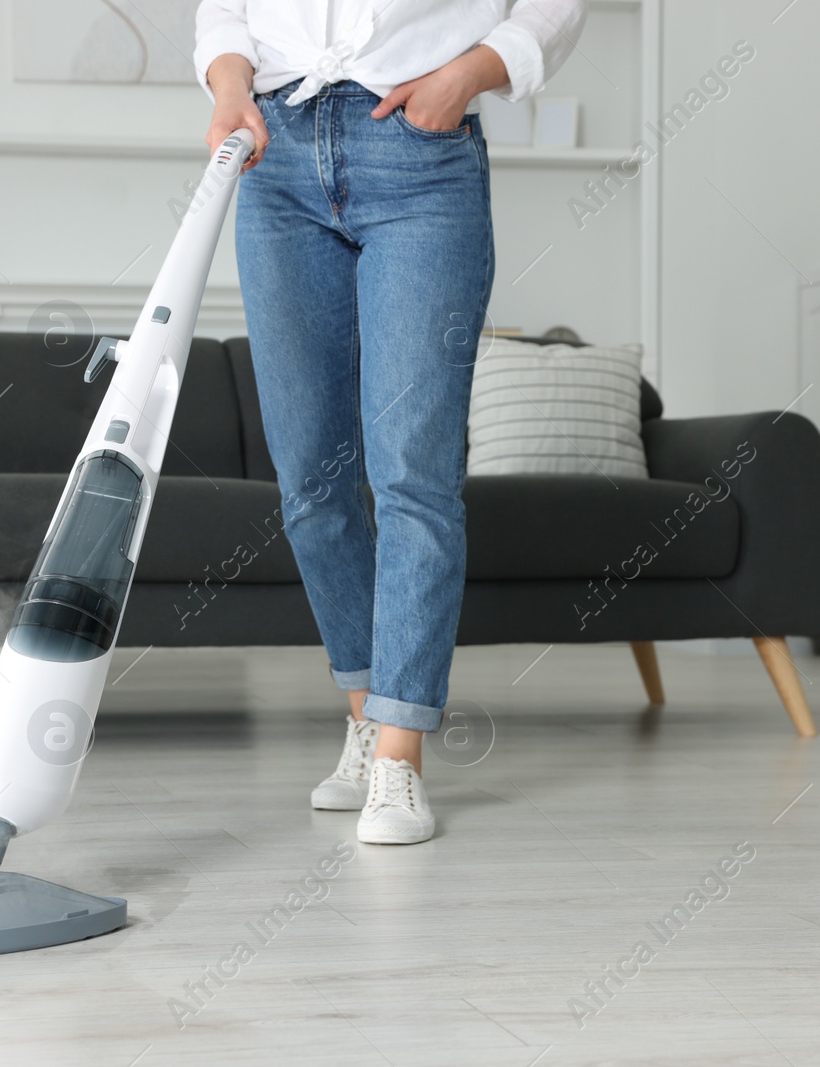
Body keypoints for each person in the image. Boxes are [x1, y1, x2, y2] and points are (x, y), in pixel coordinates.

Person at [194, 1, 587, 844]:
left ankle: (399, 758)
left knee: (412, 470)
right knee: (308, 478)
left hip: (419, 153)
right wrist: (230, 85)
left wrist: (468, 74)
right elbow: (224, 9)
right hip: (275, 153)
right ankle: (366, 717)